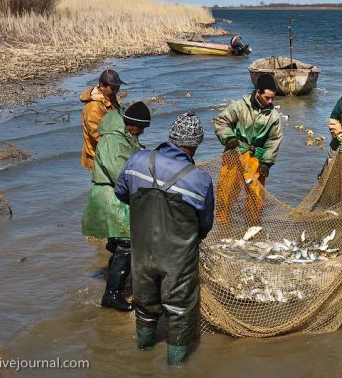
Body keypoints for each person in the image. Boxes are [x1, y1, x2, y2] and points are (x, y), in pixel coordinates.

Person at [114, 111, 214, 365]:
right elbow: (205, 225)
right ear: (194, 145)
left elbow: (121, 193)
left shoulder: (136, 160)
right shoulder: (199, 179)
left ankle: (143, 354)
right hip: (178, 259)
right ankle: (176, 366)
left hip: (142, 252)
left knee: (145, 305)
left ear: (171, 137)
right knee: (179, 310)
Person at [82, 101, 151, 311]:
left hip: (116, 194)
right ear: (132, 125)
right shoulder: (113, 140)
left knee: (120, 242)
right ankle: (111, 295)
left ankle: (117, 281)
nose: (141, 132)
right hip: (111, 195)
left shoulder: (125, 135)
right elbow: (119, 173)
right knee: (126, 242)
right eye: (141, 128)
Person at [213, 74, 283, 224]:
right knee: (226, 193)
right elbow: (221, 121)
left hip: (257, 158)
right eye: (267, 97)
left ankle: (252, 228)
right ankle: (222, 226)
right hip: (235, 152)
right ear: (258, 92)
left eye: (272, 98)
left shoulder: (273, 116)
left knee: (256, 197)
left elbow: (273, 140)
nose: (270, 101)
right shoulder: (239, 106)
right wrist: (229, 138)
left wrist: (267, 162)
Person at [80, 69, 125, 171]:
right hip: (98, 155)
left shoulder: (110, 98)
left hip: (111, 151)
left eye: (118, 88)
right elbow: (96, 134)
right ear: (102, 86)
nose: (116, 91)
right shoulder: (94, 107)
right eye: (113, 88)